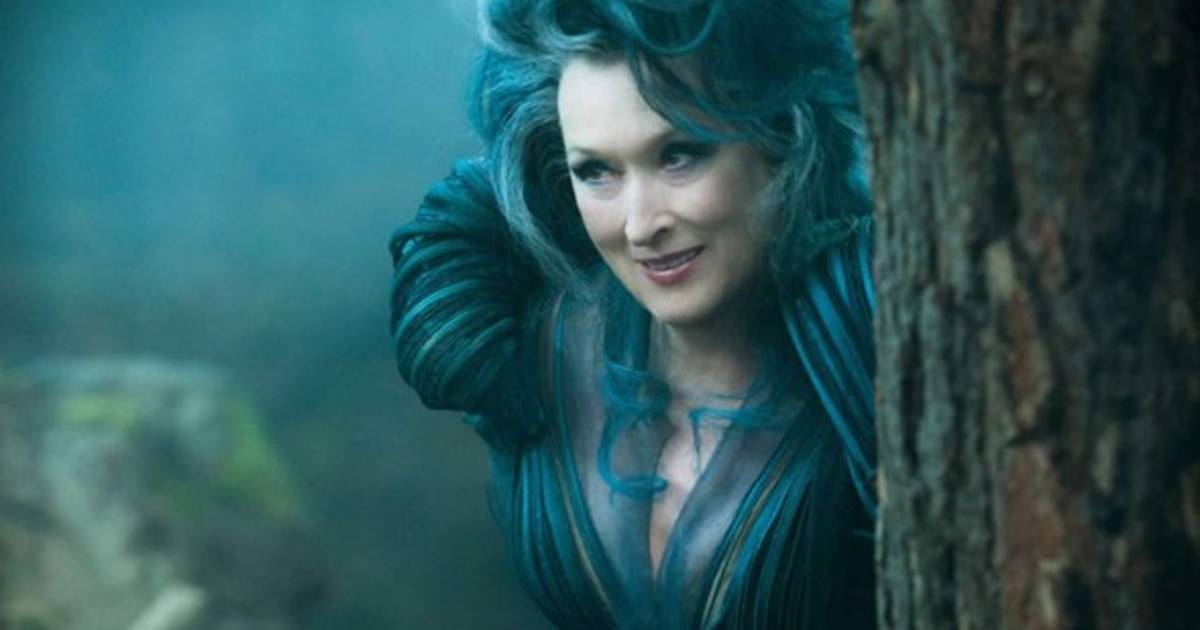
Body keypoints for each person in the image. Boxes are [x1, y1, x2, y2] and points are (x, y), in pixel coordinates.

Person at [389, 0, 876, 627]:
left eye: (679, 155)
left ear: (782, 138)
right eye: (596, 171)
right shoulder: (536, 344)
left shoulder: (866, 336)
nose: (640, 225)